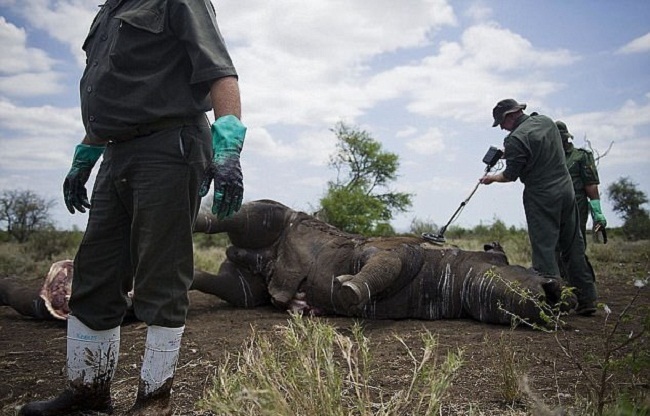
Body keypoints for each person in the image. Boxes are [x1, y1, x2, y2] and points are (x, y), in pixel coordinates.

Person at [19, 0, 246, 415]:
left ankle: (153, 403)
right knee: (95, 276)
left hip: (170, 146)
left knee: (161, 276)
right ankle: (88, 396)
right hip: (116, 151)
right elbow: (113, 93)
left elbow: (220, 71)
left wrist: (228, 147)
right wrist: (84, 158)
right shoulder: (107, 12)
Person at [479, 99, 597, 317]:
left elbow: (510, 175)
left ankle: (552, 305)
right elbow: (539, 147)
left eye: (502, 123)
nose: (502, 128)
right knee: (573, 247)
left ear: (510, 116)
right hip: (567, 190)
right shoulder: (546, 122)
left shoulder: (515, 139)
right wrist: (510, 154)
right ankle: (587, 298)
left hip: (542, 196)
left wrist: (491, 178)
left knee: (545, 251)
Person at [555, 120, 607, 244]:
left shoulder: (580, 156)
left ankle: (578, 263)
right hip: (554, 204)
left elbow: (590, 184)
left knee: (576, 241)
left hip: (576, 203)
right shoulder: (550, 156)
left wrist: (597, 211)